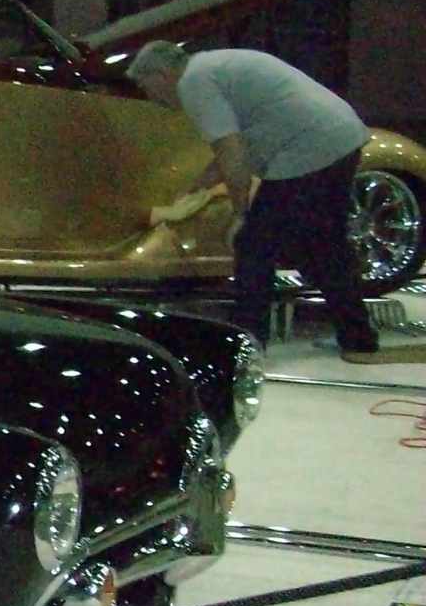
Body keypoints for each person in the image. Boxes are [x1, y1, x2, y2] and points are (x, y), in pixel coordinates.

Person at [128, 39, 396, 365]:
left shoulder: (193, 83)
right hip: (339, 136)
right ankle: (359, 340)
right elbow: (231, 152)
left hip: (309, 149)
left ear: (161, 74)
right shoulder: (213, 66)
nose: (149, 96)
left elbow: (232, 156)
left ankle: (247, 345)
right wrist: (193, 191)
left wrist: (241, 213)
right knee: (326, 246)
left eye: (145, 85)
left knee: (254, 246)